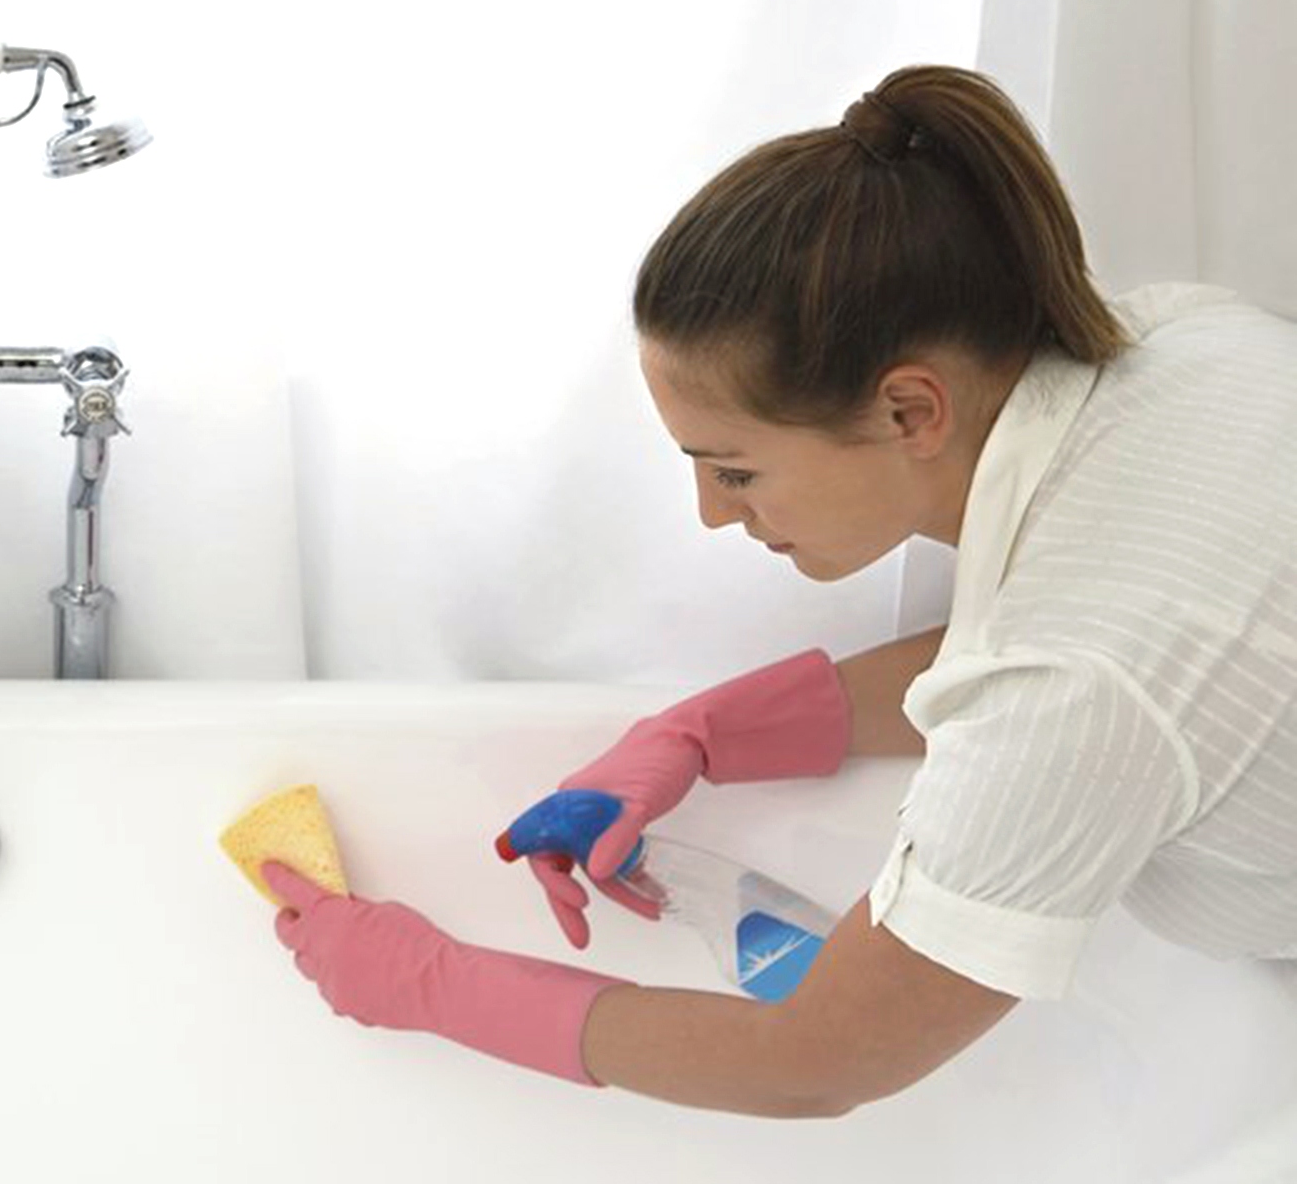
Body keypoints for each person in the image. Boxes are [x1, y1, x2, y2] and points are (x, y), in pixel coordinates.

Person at [263, 65, 1297, 1117]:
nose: (713, 513)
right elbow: (1140, 657)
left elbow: (816, 1060)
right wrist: (708, 732)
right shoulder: (1184, 343)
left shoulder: (1073, 680)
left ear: (909, 412)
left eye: (736, 470)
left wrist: (432, 987)